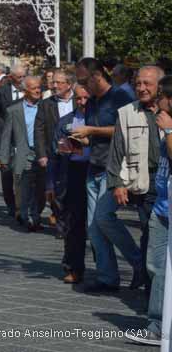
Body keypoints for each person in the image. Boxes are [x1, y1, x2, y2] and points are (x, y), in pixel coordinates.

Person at [73, 57, 139, 292]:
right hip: (95, 165)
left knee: (104, 218)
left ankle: (139, 263)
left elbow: (127, 130)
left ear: (97, 75)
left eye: (82, 80)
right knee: (93, 227)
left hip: (115, 168)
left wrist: (92, 130)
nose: (81, 85)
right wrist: (80, 140)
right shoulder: (91, 102)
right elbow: (95, 136)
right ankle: (107, 277)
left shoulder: (121, 97)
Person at [107, 66, 165, 293]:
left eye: (147, 84)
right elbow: (116, 151)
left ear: (160, 86)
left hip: (166, 178)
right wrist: (117, 183)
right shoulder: (126, 112)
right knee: (150, 235)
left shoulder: (167, 110)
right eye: (138, 84)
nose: (141, 88)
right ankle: (152, 294)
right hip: (145, 181)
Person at [128, 75, 172, 347]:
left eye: (162, 99)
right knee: (156, 266)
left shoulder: (167, 126)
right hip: (161, 206)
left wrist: (168, 132)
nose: (157, 105)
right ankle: (157, 324)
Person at [51, 83, 91, 284]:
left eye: (86, 98)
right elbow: (56, 153)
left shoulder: (99, 121)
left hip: (94, 174)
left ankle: (105, 269)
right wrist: (52, 185)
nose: (82, 102)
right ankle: (73, 267)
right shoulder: (66, 122)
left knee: (96, 225)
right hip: (71, 175)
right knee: (72, 224)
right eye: (78, 98)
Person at [0, 76, 46, 231]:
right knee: (24, 186)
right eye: (34, 88)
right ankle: (27, 217)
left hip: (42, 153)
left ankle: (36, 214)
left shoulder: (46, 107)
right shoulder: (14, 110)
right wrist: (3, 157)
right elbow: (6, 135)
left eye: (39, 87)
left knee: (41, 188)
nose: (38, 90)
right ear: (25, 91)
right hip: (24, 152)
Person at [35, 68, 75, 230]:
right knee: (57, 192)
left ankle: (75, 223)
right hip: (54, 155)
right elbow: (39, 130)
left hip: (77, 154)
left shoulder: (80, 101)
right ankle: (60, 224)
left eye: (59, 82)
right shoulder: (46, 104)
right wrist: (42, 154)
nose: (54, 85)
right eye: (53, 82)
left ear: (69, 84)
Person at [0, 65, 26, 218]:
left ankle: (23, 204)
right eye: (19, 77)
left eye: (24, 76)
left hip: (24, 136)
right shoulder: (1, 92)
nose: (22, 80)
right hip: (6, 137)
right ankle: (11, 205)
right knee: (6, 172)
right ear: (11, 78)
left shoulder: (31, 91)